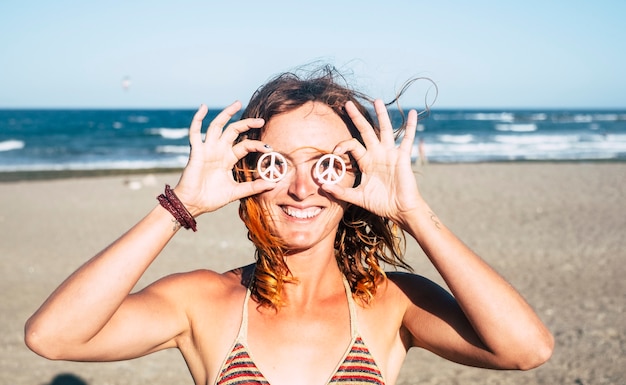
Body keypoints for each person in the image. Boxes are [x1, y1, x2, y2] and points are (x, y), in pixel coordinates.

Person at [25, 66, 553, 385]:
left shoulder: (393, 303)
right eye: (278, 164)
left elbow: (526, 350)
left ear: (355, 176)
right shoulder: (203, 301)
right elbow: (52, 337)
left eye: (326, 164)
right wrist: (178, 204)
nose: (302, 189)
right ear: (251, 173)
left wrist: (413, 214)